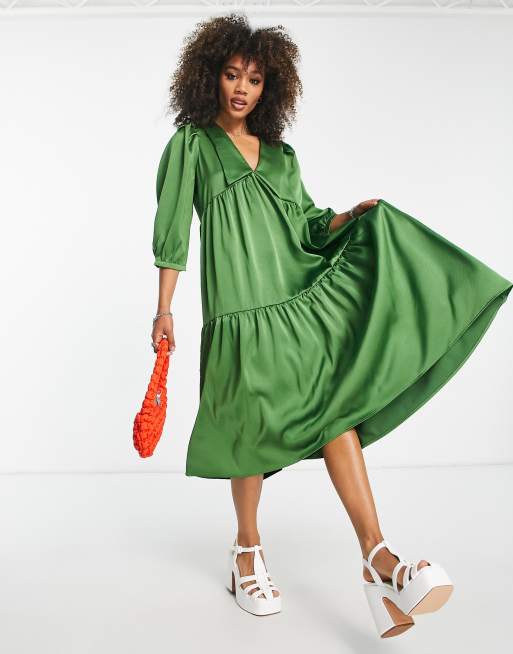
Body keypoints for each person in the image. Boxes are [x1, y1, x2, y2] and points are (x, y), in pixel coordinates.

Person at [149, 13, 512, 637]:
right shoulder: (191, 145)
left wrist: (349, 218)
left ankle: (378, 558)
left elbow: (308, 228)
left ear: (269, 88)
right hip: (239, 311)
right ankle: (246, 552)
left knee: (334, 412)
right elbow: (172, 231)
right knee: (248, 428)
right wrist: (164, 309)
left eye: (254, 80)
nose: (242, 89)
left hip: (295, 305)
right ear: (210, 77)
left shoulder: (282, 157)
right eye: (232, 75)